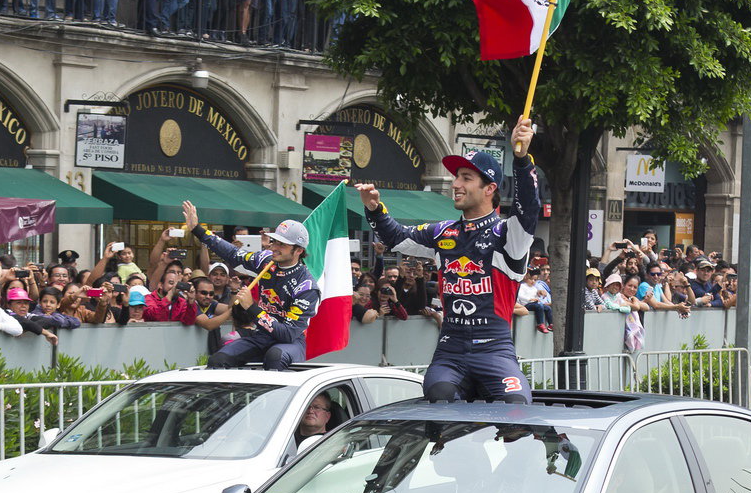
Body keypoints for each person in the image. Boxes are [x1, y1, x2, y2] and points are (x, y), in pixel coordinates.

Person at [361, 117, 539, 403]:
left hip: (495, 350)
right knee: (439, 397)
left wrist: (521, 159)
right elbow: (396, 238)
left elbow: (529, 208)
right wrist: (375, 209)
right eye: (456, 177)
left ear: (489, 188)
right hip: (450, 350)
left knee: (517, 409)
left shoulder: (508, 234)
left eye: (466, 178)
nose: (455, 184)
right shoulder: (443, 232)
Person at [182, 202, 318, 370]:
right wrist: (197, 229)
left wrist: (251, 307)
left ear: (298, 250)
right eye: (274, 241)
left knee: (274, 356)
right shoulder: (266, 260)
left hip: (290, 343)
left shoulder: (307, 286)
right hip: (261, 335)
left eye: (282, 244)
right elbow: (232, 253)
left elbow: (287, 333)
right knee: (218, 359)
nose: (274, 247)